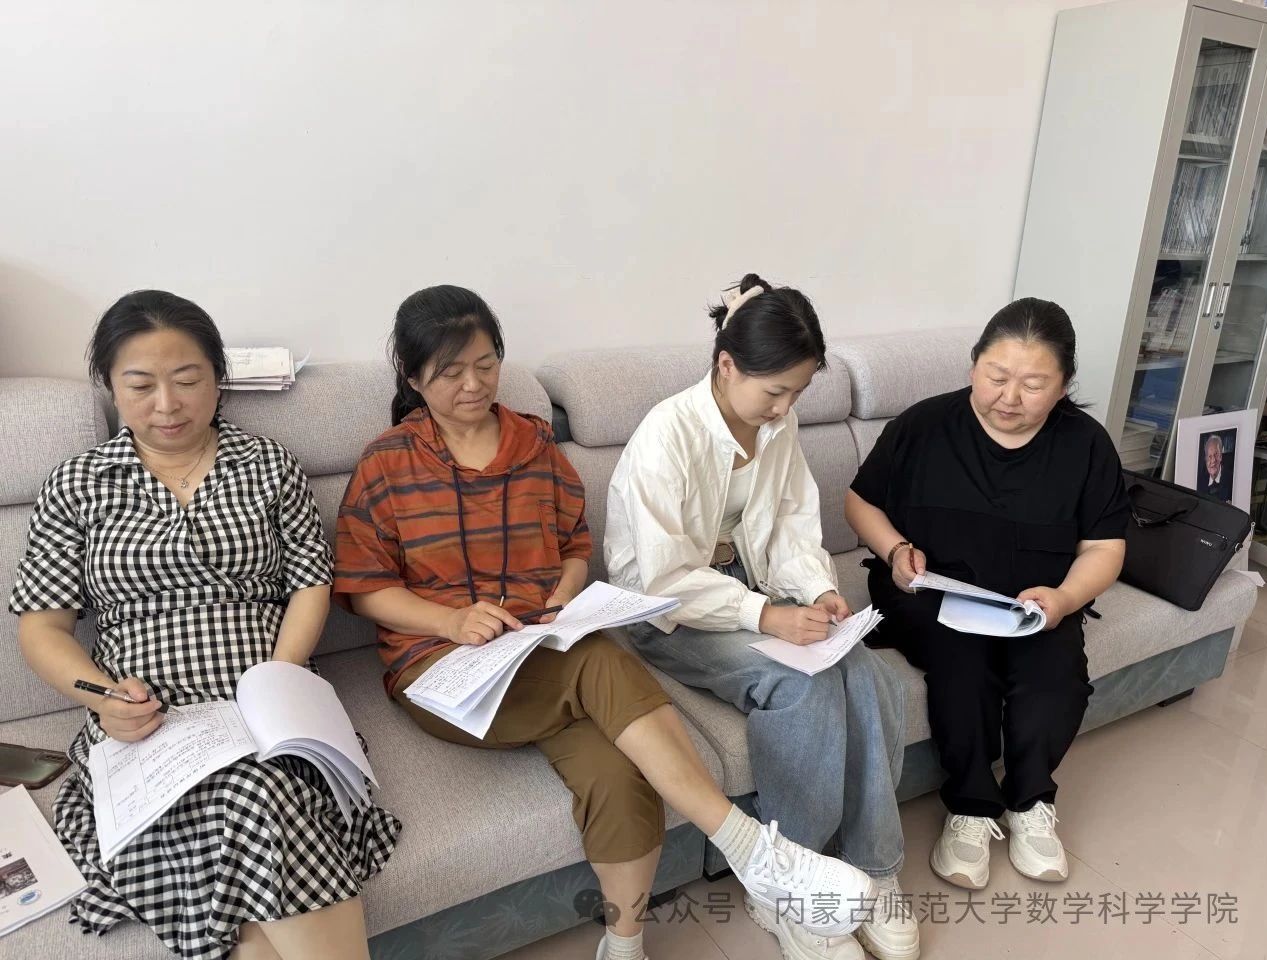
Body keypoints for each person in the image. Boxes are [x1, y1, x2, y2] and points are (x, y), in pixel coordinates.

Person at [333, 285, 876, 960]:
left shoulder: (533, 442)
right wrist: (450, 621)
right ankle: (751, 850)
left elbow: (573, 546)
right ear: (414, 379)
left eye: (485, 364)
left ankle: (623, 945)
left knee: (621, 776)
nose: (473, 384)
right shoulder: (388, 462)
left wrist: (563, 597)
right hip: (445, 668)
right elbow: (363, 588)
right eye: (450, 372)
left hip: (538, 650)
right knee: (599, 660)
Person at [9, 291, 401, 960]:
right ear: (110, 386)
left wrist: (277, 681)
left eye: (187, 380)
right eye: (141, 385)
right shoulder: (77, 484)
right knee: (254, 799)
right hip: (149, 724)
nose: (167, 404)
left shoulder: (269, 466)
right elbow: (42, 627)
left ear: (218, 378)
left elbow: (311, 583)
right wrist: (102, 698)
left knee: (256, 788)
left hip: (267, 708)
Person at [605, 274, 917, 960]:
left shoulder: (779, 425)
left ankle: (873, 865)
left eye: (797, 393)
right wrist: (767, 616)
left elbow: (792, 525)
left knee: (870, 676)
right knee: (804, 686)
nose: (784, 408)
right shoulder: (667, 435)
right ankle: (787, 888)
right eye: (775, 391)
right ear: (726, 364)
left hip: (752, 589)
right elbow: (662, 579)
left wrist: (817, 590)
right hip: (666, 611)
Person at [845, 297, 1128, 891]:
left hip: (1034, 603)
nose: (1010, 397)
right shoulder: (923, 426)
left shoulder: (1085, 445)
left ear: (1064, 386)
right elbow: (861, 502)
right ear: (974, 364)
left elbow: (1104, 547)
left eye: (1033, 385)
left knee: (1055, 675)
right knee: (963, 664)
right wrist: (896, 551)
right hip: (930, 592)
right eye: (997, 376)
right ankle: (971, 809)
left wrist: (1064, 599)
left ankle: (1030, 803)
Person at [1198, 432, 1234, 502]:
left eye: (1216, 455)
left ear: (1221, 456)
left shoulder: (1231, 479)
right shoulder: (1200, 481)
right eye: (1209, 456)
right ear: (1205, 459)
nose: (1213, 460)